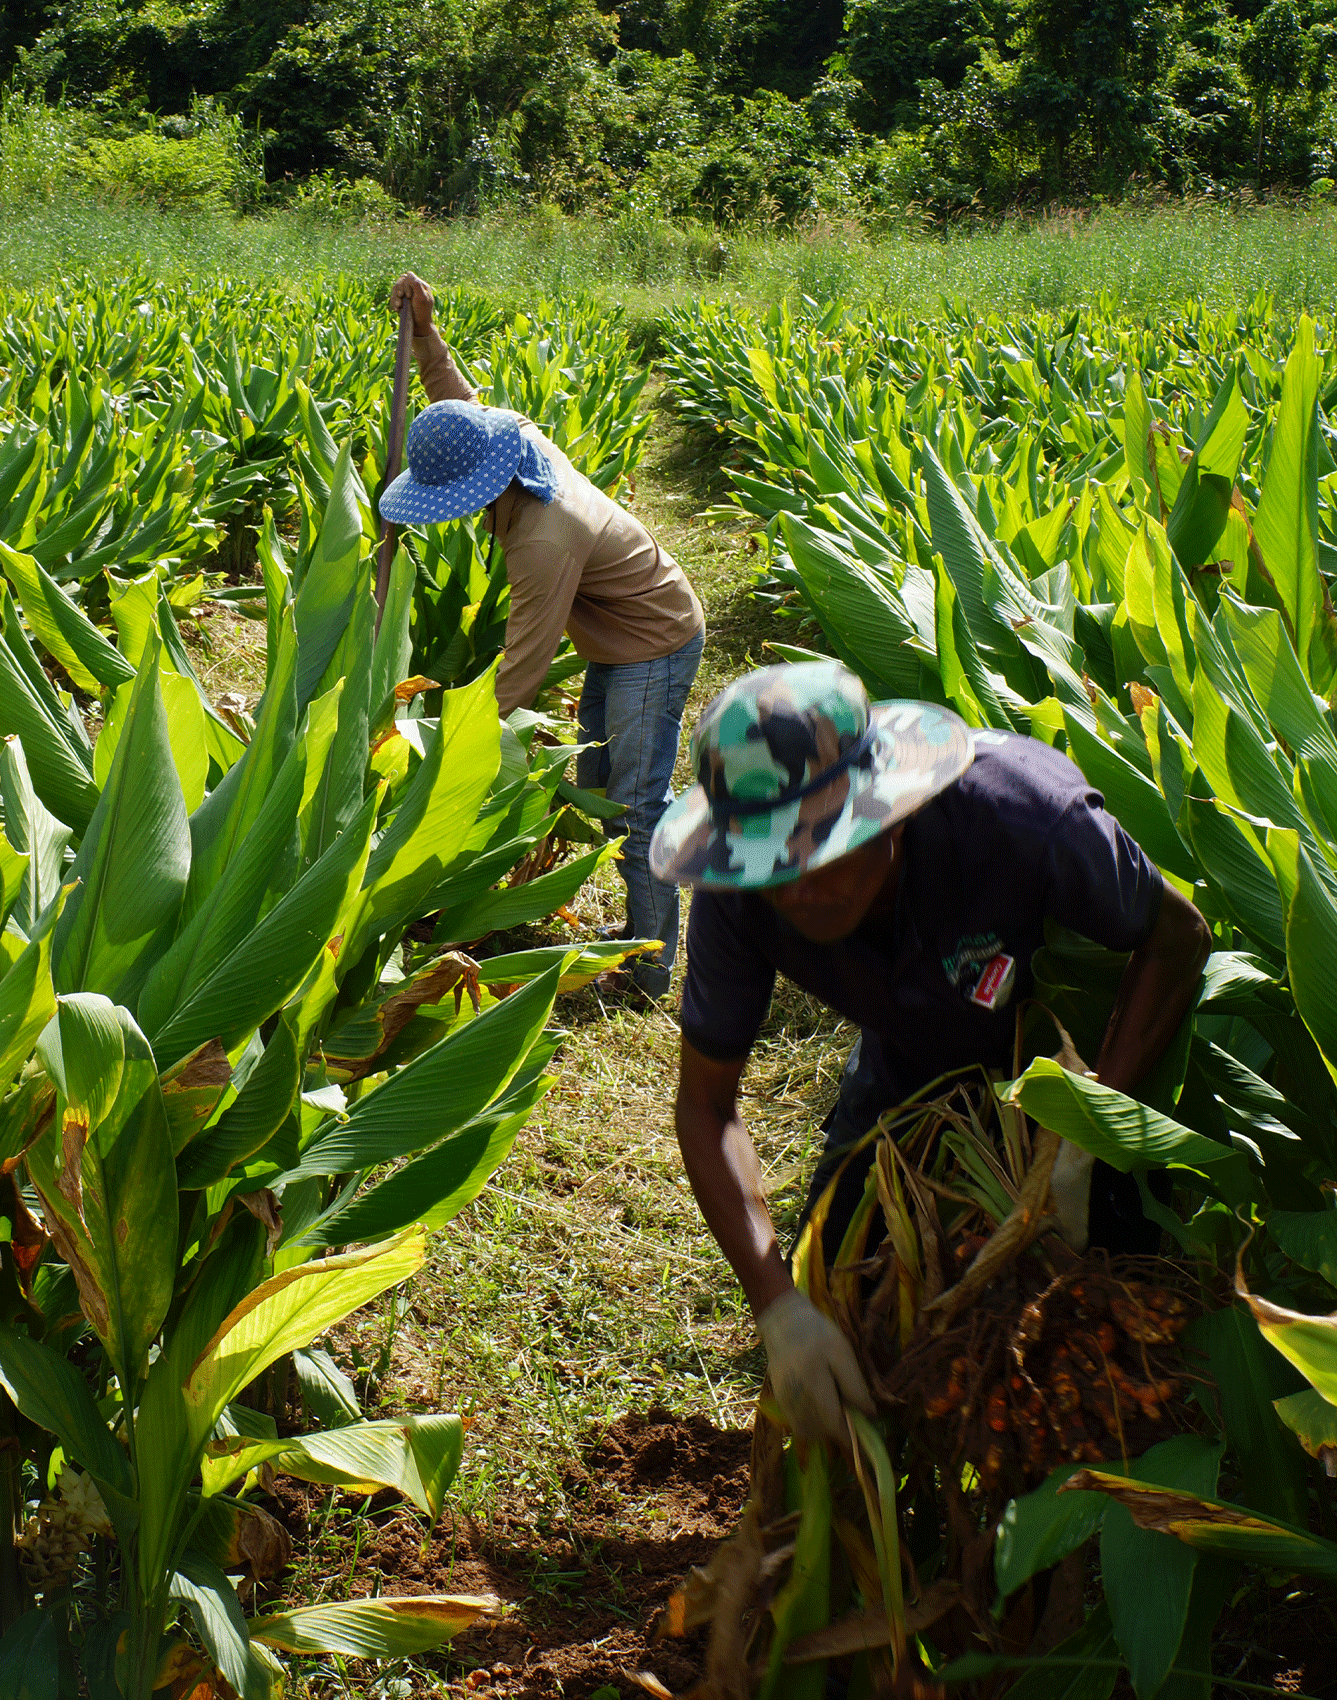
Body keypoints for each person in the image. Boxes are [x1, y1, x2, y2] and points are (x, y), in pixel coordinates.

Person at [650, 661, 1212, 1448]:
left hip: (1065, 1060)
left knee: (1100, 1333)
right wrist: (776, 1302)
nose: (799, 887)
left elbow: (1178, 937)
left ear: (894, 812)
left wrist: (1090, 1131)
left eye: (823, 852)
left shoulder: (1022, 819)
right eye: (777, 867)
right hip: (911, 1053)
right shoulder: (743, 887)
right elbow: (707, 1106)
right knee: (843, 1290)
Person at [379, 273, 706, 996]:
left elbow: (521, 676)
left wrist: (432, 751)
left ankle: (651, 968)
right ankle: (644, 906)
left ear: (483, 486)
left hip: (655, 640)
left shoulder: (543, 541)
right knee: (600, 785)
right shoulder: (512, 445)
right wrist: (426, 334)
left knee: (635, 802)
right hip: (615, 641)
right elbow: (457, 408)